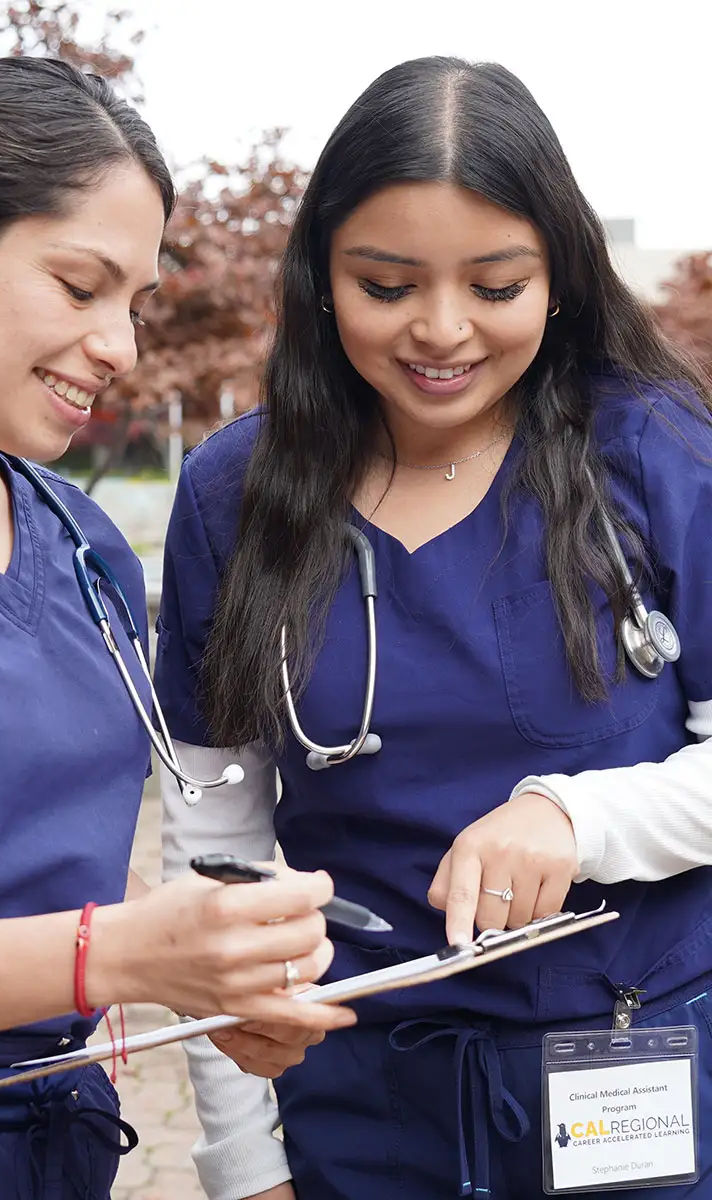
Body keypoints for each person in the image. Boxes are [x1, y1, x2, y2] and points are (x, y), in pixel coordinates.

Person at [156, 55, 712, 1200]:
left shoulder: (654, 452)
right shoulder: (233, 493)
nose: (441, 331)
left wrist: (577, 814)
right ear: (320, 277)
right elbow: (208, 845)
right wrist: (242, 1157)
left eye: (495, 288)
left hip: (627, 1084)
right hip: (351, 1102)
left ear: (558, 277)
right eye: (386, 284)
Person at [0, 55, 355, 1200]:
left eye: (137, 303)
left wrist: (208, 976)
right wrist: (113, 953)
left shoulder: (84, 544)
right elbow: (88, 940)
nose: (121, 346)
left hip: (58, 1141)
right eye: (79, 284)